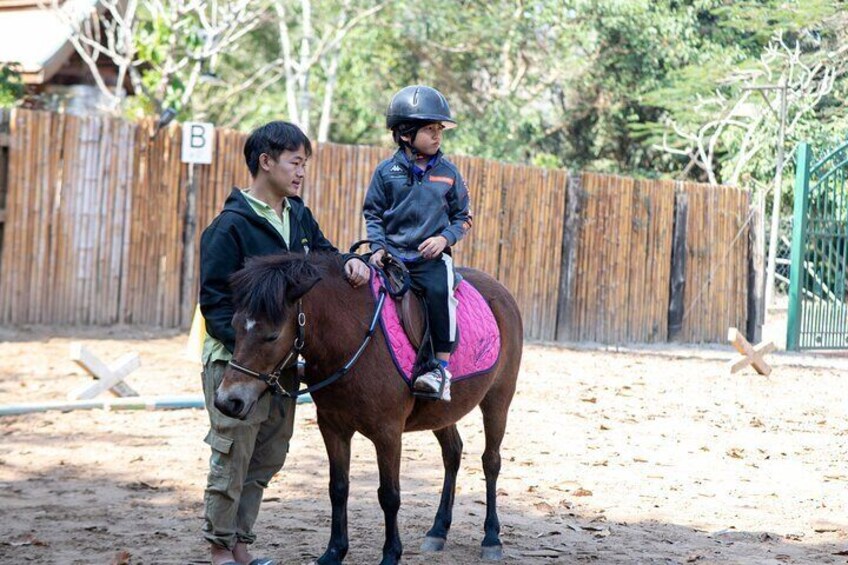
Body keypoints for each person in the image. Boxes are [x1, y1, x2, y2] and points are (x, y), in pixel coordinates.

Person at [199, 120, 370, 565]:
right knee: (233, 455)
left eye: (305, 164)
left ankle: (242, 546)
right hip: (238, 364)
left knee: (268, 454)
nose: (301, 173)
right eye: (296, 162)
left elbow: (326, 256)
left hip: (283, 365)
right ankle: (220, 550)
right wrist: (250, 350)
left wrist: (351, 261)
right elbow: (214, 303)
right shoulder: (229, 228)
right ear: (266, 162)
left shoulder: (298, 216)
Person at [363, 85, 472, 402]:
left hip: (430, 262)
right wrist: (378, 247)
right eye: (429, 129)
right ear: (406, 134)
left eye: (440, 129)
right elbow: (373, 213)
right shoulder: (386, 172)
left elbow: (463, 216)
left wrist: (443, 239)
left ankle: (440, 369)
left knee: (440, 294)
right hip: (392, 259)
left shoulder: (449, 173)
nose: (438, 136)